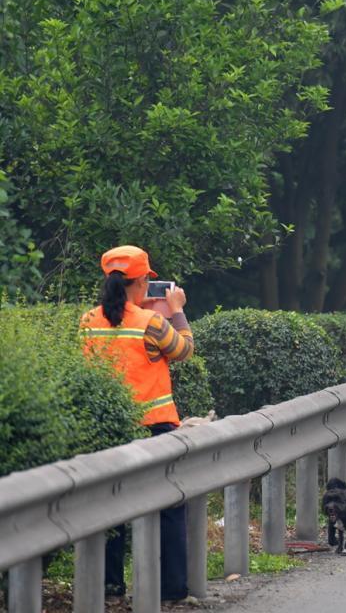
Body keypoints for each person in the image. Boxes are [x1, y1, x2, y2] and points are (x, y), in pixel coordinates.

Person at [80, 245, 194, 601]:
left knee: (109, 507)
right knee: (169, 505)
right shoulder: (152, 323)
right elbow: (185, 350)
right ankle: (172, 589)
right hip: (154, 428)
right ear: (143, 281)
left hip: (108, 428)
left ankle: (110, 587)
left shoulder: (88, 321)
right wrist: (176, 312)